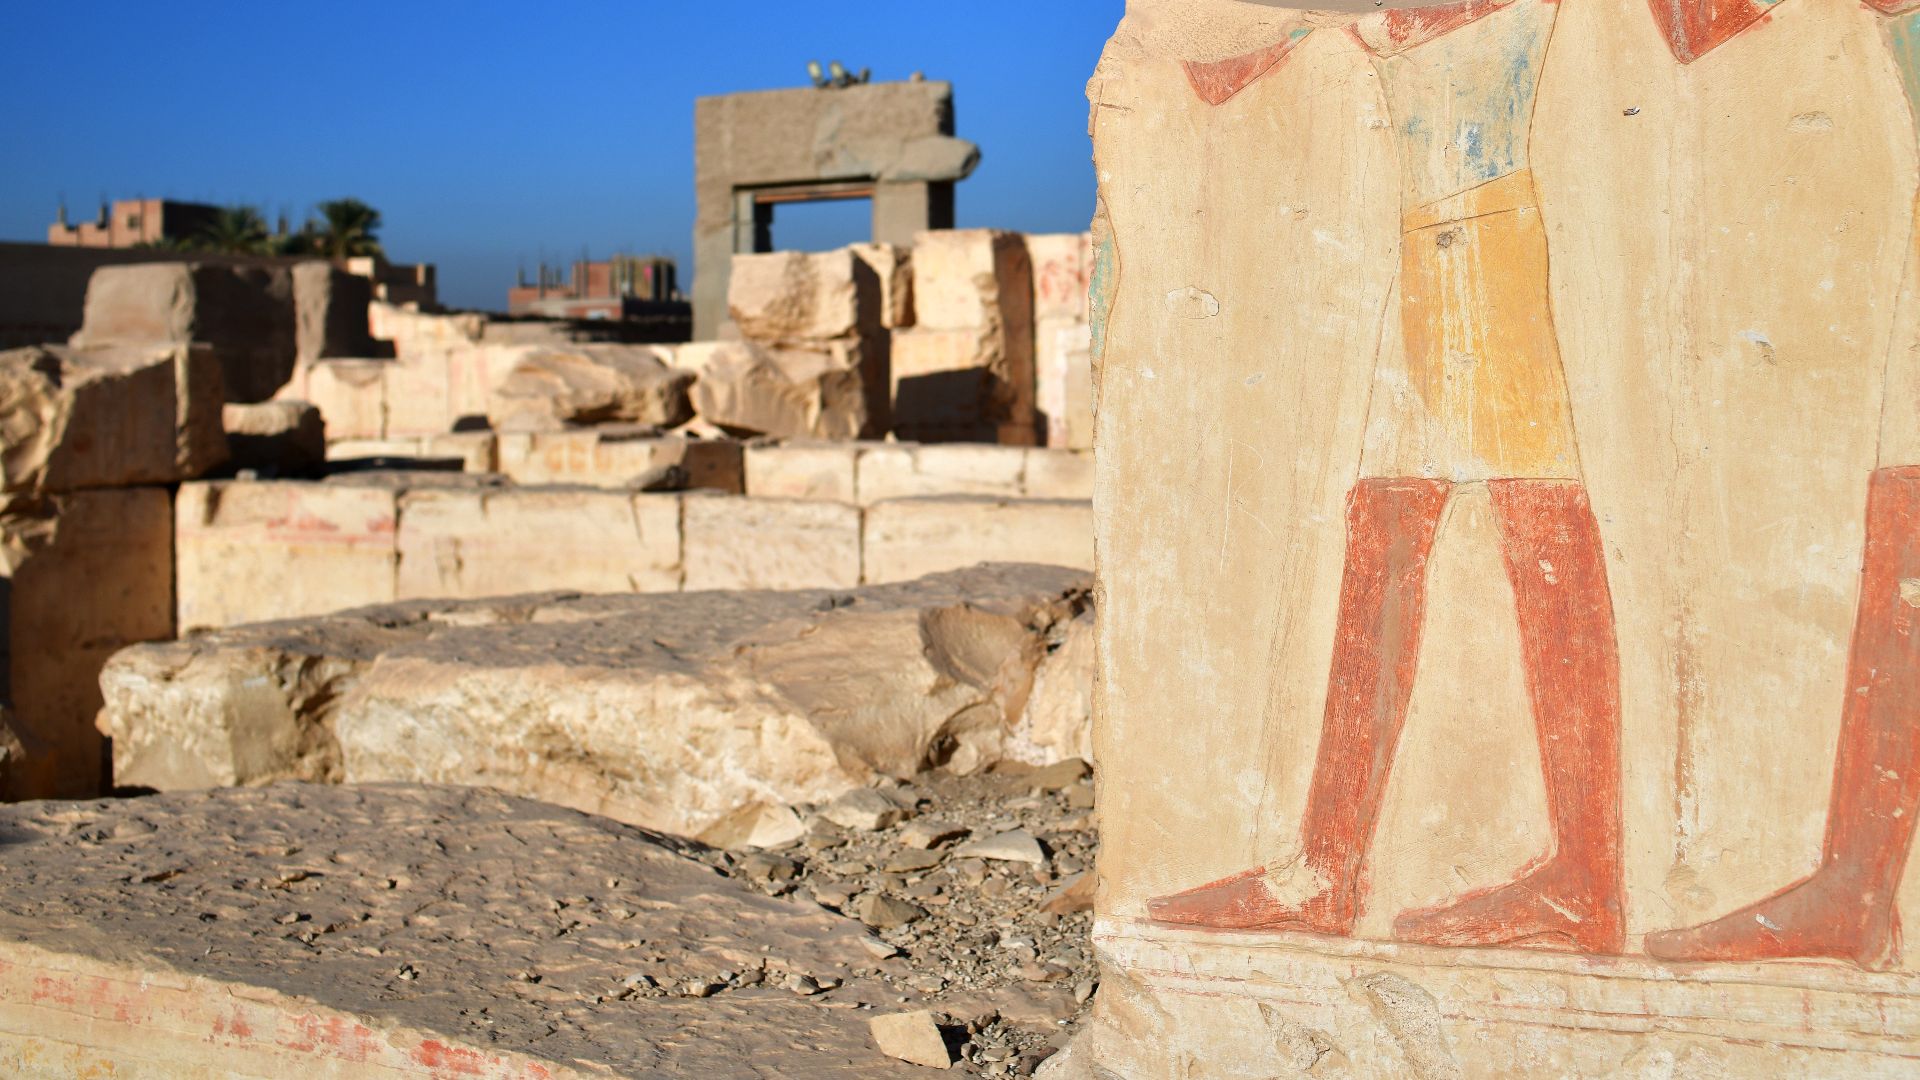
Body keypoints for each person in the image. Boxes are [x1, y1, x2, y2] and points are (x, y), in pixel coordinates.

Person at [1148, 0, 1628, 955]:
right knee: (1388, 531)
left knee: (1539, 525)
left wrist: (1330, 33)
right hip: (1437, 242)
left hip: (1482, 236)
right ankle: (1328, 867)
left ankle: (1587, 874)